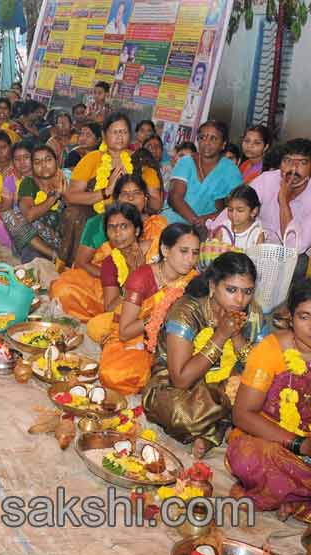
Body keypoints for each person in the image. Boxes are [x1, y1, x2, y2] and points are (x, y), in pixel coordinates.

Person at [226, 278, 311, 522]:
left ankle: (293, 497)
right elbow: (242, 414)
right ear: (290, 319)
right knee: (245, 455)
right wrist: (300, 445)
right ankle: (307, 498)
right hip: (276, 444)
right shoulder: (272, 349)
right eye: (305, 316)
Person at [144, 252, 268, 458]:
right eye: (231, 290)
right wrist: (221, 336)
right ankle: (218, 428)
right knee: (180, 414)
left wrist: (236, 336)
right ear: (212, 286)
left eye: (247, 291)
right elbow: (181, 379)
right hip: (177, 388)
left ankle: (216, 425)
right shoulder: (187, 311)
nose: (240, 300)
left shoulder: (253, 314)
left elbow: (261, 369)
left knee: (272, 397)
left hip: (230, 386)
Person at [94, 223, 201, 395]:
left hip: (173, 343)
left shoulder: (194, 280)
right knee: (114, 375)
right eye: (183, 251)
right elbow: (125, 332)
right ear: (165, 251)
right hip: (135, 339)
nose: (190, 259)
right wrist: (158, 316)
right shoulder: (142, 278)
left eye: (195, 253)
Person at [51, 175, 167, 322]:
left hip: (150, 283)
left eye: (136, 193)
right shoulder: (98, 223)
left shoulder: (157, 225)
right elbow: (81, 262)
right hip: (100, 281)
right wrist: (116, 279)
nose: (131, 198)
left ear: (145, 198)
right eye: (125, 194)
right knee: (63, 290)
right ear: (116, 199)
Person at [208, 138, 311, 268]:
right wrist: (214, 237)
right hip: (258, 246)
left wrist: (283, 200)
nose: (293, 168)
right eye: (287, 161)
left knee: (297, 262)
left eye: (302, 162)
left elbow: (294, 247)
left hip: (298, 258)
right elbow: (237, 205)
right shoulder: (267, 179)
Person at [64, 112, 163, 265]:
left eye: (123, 132)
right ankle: (77, 263)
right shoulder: (92, 158)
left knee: (157, 225)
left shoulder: (140, 160)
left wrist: (140, 189)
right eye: (114, 132)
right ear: (104, 135)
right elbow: (71, 197)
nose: (119, 136)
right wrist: (106, 191)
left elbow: (156, 204)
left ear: (130, 136)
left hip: (134, 217)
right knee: (78, 214)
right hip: (98, 214)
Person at [163, 120, 243, 226]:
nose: (206, 142)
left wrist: (207, 220)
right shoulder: (186, 162)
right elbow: (174, 198)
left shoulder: (230, 170)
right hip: (174, 220)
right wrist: (196, 222)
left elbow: (237, 205)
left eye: (213, 138)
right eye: (202, 138)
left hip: (210, 225)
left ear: (223, 145)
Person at [0, 143, 63, 261]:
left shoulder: (66, 177)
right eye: (38, 162)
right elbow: (29, 215)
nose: (43, 165)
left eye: (48, 160)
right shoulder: (28, 183)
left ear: (57, 161)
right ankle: (53, 255)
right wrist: (54, 197)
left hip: (62, 237)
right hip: (34, 236)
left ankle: (59, 255)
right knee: (9, 216)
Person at [212, 184, 266, 251]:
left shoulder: (257, 234)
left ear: (253, 211)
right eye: (230, 210)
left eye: (240, 210)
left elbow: (257, 260)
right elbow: (214, 254)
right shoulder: (223, 230)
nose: (234, 215)